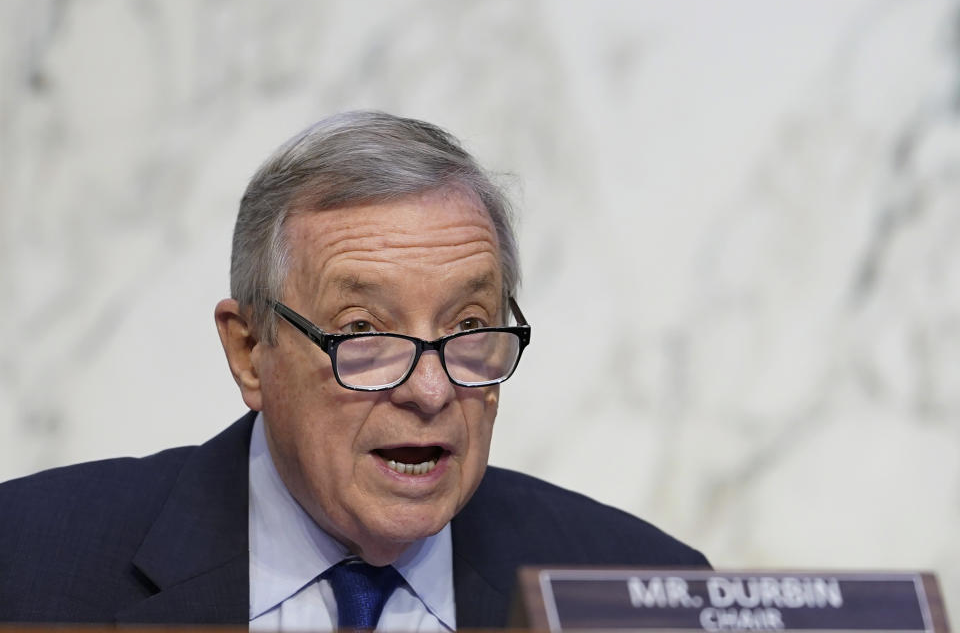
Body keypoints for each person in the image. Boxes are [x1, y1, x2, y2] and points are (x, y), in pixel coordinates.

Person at [0, 111, 708, 628]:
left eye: (467, 328)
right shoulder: (27, 563)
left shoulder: (642, 591)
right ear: (250, 352)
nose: (431, 390)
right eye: (362, 333)